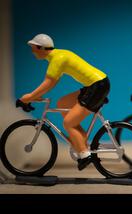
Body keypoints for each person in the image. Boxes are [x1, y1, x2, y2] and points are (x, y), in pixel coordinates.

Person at [19, 34, 110, 170]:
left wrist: (29, 97)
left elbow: (49, 83)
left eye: (34, 49)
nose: (32, 52)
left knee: (68, 123)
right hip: (96, 85)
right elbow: (50, 84)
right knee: (62, 103)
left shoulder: (57, 59)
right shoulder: (58, 55)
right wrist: (33, 96)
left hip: (97, 86)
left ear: (41, 48)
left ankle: (85, 155)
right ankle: (81, 140)